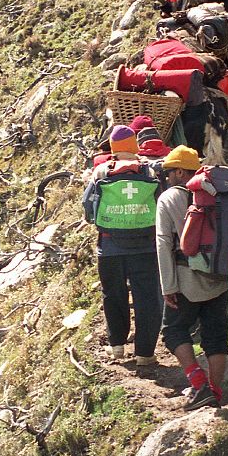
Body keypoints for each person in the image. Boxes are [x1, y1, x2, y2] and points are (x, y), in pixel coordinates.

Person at [155, 146, 228, 410]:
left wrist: (168, 285)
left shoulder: (169, 198)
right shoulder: (217, 193)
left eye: (169, 172)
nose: (166, 177)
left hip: (185, 279)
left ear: (180, 171)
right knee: (217, 336)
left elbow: (163, 243)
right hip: (220, 277)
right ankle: (216, 392)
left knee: (173, 331)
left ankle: (199, 385)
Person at [80, 125, 163, 367]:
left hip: (110, 247)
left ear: (114, 148)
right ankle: (145, 353)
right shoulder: (149, 172)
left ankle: (117, 347)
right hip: (145, 247)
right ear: (135, 146)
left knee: (113, 295)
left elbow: (88, 208)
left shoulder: (101, 172)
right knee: (147, 298)